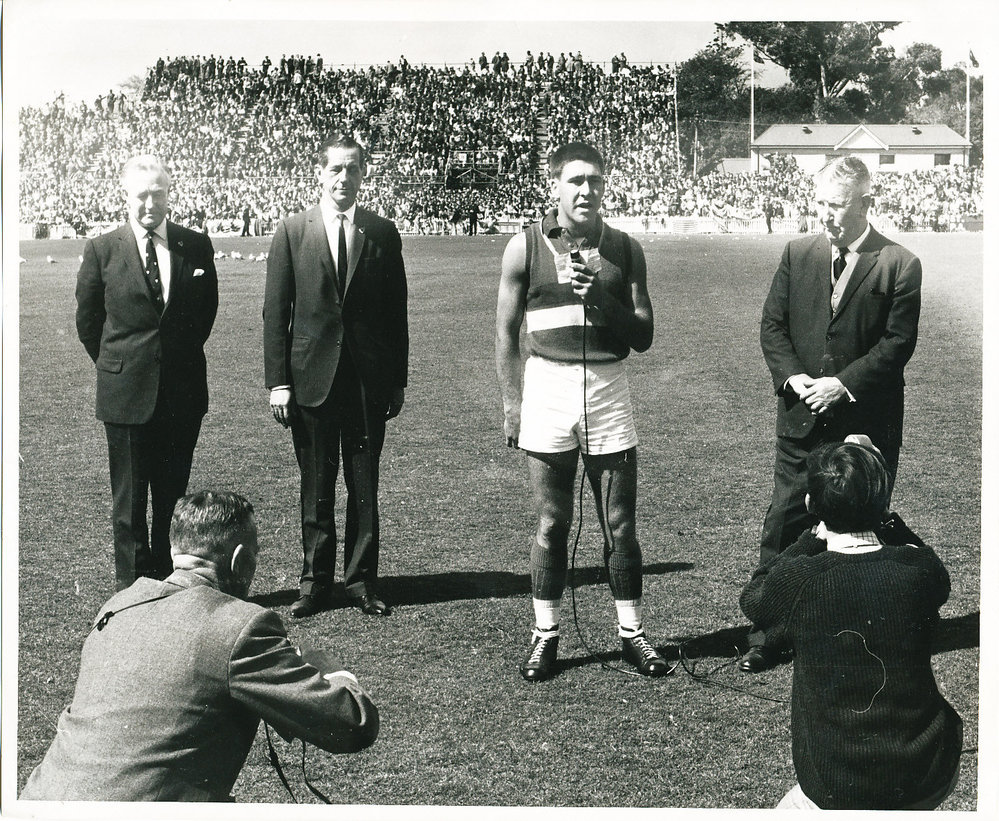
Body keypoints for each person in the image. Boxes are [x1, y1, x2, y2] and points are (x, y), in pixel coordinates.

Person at [20, 490, 379, 802]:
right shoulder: (242, 626)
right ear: (239, 560)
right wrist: (330, 669)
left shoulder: (118, 605)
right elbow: (353, 723)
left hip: (41, 800)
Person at [495, 142, 668, 682]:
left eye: (595, 179)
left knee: (619, 524)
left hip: (608, 387)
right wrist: (512, 403)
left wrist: (601, 300)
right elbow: (504, 332)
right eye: (575, 181)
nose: (586, 190)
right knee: (552, 522)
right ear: (556, 185)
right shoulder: (525, 246)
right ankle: (545, 636)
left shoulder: (625, 248)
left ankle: (632, 634)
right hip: (547, 383)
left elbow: (643, 336)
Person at [743, 156, 921, 673]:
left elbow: (897, 343)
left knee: (864, 531)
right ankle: (767, 633)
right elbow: (772, 326)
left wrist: (842, 386)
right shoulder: (798, 252)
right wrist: (795, 378)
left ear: (867, 201)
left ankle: (859, 636)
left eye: (837, 205)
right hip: (801, 417)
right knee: (783, 520)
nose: (826, 215)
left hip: (865, 424)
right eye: (820, 203)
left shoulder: (899, 263)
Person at [740, 441, 962, 810]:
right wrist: (890, 520)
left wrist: (808, 540)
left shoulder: (798, 581)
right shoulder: (918, 571)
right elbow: (933, 566)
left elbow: (755, 595)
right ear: (884, 504)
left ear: (811, 505)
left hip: (838, 783)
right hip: (928, 768)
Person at [264, 134, 408, 619]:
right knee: (316, 484)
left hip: (367, 382)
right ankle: (315, 582)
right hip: (311, 380)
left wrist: (397, 379)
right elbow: (275, 312)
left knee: (364, 485)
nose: (344, 178)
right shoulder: (292, 230)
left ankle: (362, 581)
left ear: (364, 173)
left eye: (353, 169)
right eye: (335, 169)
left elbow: (396, 313)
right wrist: (278, 382)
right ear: (320, 174)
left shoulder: (382, 232)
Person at [76, 155, 218, 591]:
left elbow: (205, 313)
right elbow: (88, 322)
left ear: (169, 194)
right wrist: (121, 365)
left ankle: (169, 585)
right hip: (126, 394)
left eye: (158, 192)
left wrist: (173, 357)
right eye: (141, 194)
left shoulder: (194, 245)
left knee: (173, 499)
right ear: (126, 196)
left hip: (181, 393)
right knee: (131, 503)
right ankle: (132, 593)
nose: (150, 203)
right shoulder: (102, 249)